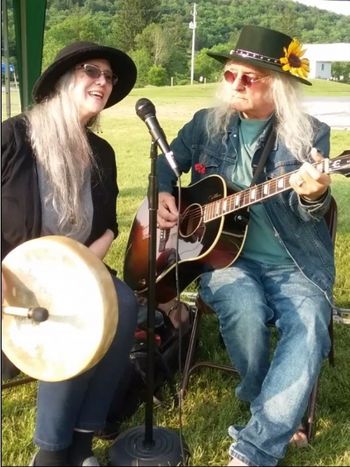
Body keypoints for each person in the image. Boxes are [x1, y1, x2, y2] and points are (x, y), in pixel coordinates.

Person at [156, 25, 334, 466]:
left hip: (293, 263)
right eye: (230, 75)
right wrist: (163, 190)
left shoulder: (311, 134)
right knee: (244, 309)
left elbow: (312, 208)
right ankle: (267, 399)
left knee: (311, 321)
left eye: (247, 78)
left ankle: (255, 448)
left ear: (280, 86)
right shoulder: (206, 125)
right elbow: (166, 161)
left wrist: (314, 194)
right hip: (220, 259)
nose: (233, 84)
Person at [2, 41, 139, 466]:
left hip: (74, 269)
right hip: (14, 279)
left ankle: (82, 440)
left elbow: (110, 226)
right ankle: (51, 451)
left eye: (109, 77)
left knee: (123, 301)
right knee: (75, 315)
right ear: (63, 79)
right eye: (91, 71)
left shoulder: (101, 153)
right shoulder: (14, 137)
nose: (102, 81)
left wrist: (85, 272)